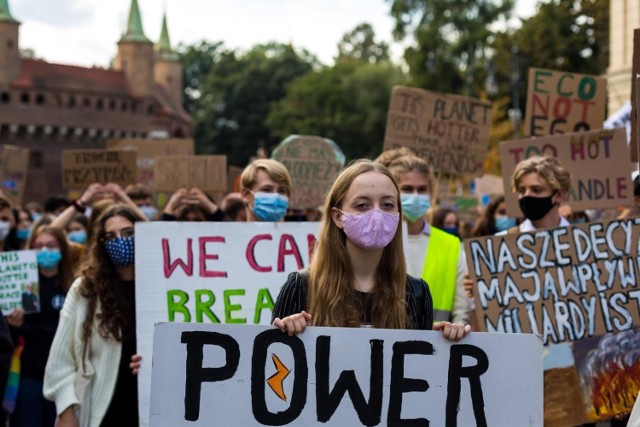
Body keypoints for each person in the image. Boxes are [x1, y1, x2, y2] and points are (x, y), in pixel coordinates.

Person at [272, 159, 469, 340]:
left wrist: (446, 343)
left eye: (387, 205)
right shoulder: (300, 287)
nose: (377, 213)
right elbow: (272, 366)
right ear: (338, 217)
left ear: (398, 215)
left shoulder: (416, 293)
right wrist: (284, 332)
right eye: (363, 205)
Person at [44, 205, 144, 427]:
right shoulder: (86, 290)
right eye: (110, 236)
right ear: (101, 244)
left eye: (128, 233)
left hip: (153, 412)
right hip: (100, 415)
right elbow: (60, 363)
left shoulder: (164, 287)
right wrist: (67, 411)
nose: (120, 241)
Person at [385, 155, 472, 325]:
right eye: (408, 189)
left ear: (431, 193)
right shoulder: (380, 241)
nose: (415, 196)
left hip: (439, 344)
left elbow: (461, 310)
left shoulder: (451, 244)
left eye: (422, 189)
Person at [6, 225, 74, 427]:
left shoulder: (74, 286)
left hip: (64, 377)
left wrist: (28, 329)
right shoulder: (20, 285)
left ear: (62, 248)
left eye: (51, 245)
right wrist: (15, 325)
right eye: (39, 246)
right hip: (29, 374)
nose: (45, 251)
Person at [508, 155, 571, 233]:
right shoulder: (503, 241)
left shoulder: (583, 238)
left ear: (559, 195)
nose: (527, 195)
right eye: (522, 190)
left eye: (536, 190)